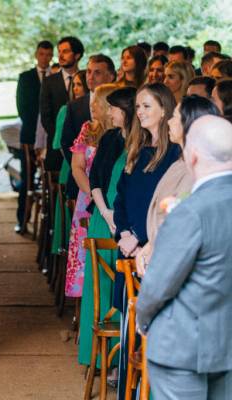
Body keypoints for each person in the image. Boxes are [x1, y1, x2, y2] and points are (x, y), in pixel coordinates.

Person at [136, 115, 232, 400]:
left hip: (182, 345)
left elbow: (158, 284)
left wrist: (143, 320)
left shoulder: (190, 212)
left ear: (193, 156)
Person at [113, 83, 180, 398]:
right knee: (131, 330)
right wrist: (124, 234)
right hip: (130, 248)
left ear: (165, 110)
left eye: (146, 106)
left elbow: (172, 206)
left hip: (158, 252)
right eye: (137, 107)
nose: (139, 112)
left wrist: (146, 243)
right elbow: (121, 198)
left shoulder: (177, 156)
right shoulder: (135, 149)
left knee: (156, 334)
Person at [78, 86, 137, 368]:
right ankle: (100, 359)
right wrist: (106, 212)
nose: (109, 113)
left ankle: (123, 360)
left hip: (132, 221)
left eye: (113, 108)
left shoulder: (145, 141)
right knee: (101, 284)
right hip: (104, 218)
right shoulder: (111, 138)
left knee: (124, 287)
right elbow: (96, 178)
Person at [135, 95, 220, 276]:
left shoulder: (198, 168)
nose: (169, 122)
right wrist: (150, 245)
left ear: (189, 123)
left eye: (174, 117)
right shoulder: (180, 162)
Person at [64, 83, 118, 300]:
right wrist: (93, 194)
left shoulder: (119, 133)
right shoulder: (88, 128)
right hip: (87, 197)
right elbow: (77, 167)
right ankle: (86, 298)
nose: (91, 104)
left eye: (96, 101)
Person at [48, 70, 89, 271]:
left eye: (80, 84)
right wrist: (76, 163)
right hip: (71, 166)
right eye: (74, 85)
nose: (77, 89)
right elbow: (61, 143)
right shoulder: (68, 109)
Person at [61, 54, 116, 199]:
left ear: (110, 76)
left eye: (97, 72)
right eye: (89, 71)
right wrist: (82, 167)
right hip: (81, 181)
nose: (90, 77)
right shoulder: (74, 106)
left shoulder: (119, 104)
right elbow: (66, 141)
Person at [14, 40, 53, 233]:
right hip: (29, 135)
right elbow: (22, 107)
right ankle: (22, 220)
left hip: (50, 138)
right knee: (26, 179)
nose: (45, 58)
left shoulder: (55, 77)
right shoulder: (26, 77)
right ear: (36, 55)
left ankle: (49, 223)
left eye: (48, 54)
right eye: (41, 54)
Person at [40, 36, 84, 172]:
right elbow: (45, 116)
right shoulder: (49, 82)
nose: (60, 55)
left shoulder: (86, 78)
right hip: (57, 146)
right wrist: (62, 139)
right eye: (59, 51)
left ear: (77, 55)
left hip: (83, 146)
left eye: (65, 51)